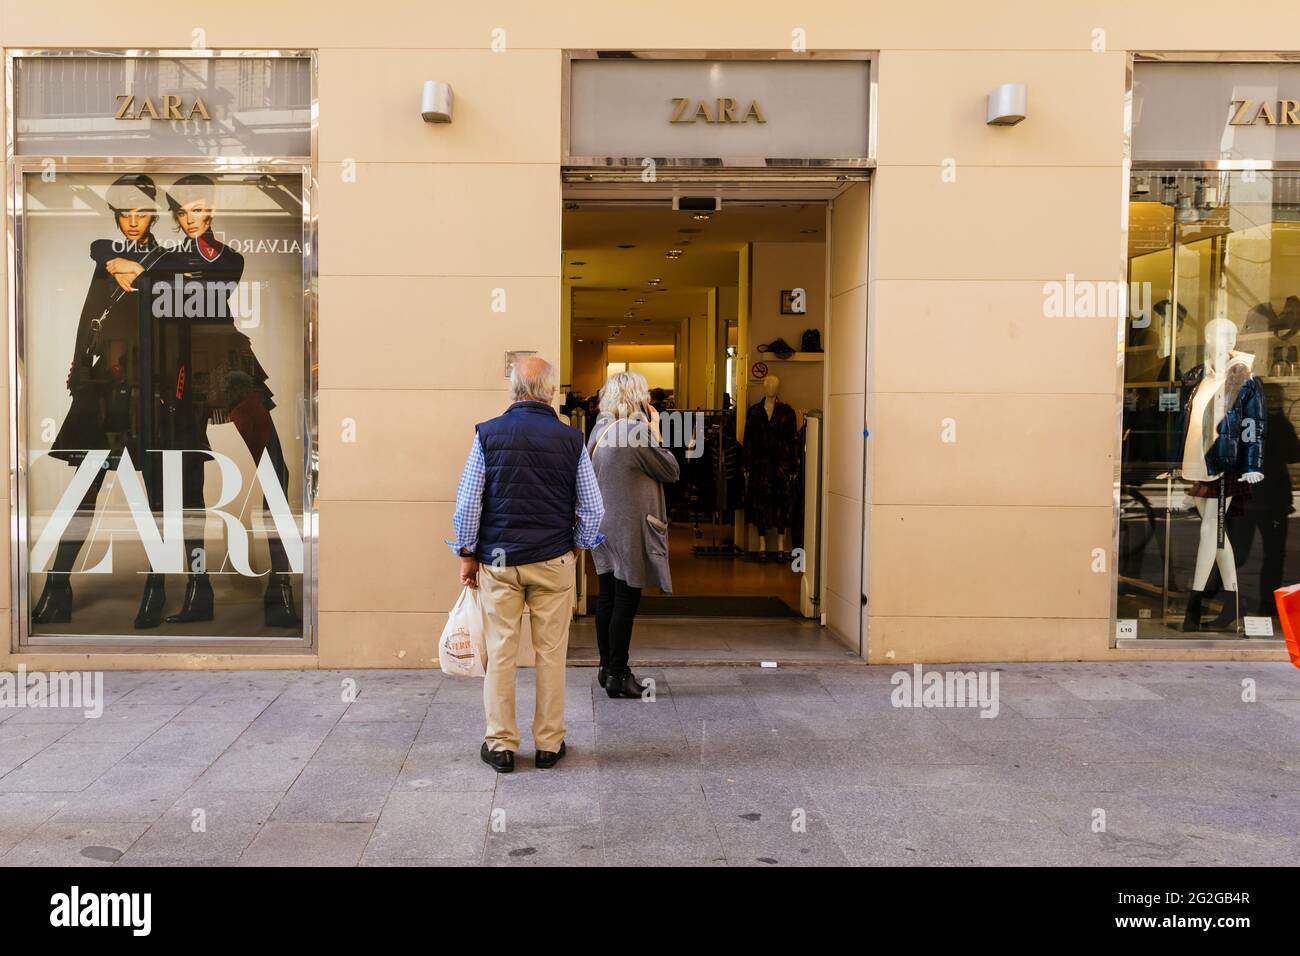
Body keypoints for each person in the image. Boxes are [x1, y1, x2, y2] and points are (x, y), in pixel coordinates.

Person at [449, 356, 604, 773]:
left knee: (500, 653)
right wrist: (576, 547)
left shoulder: (488, 434)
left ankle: (500, 745)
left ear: (514, 390)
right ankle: (549, 745)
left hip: (499, 561)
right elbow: (592, 506)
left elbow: (468, 502)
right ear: (551, 392)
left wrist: (467, 553)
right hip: (553, 559)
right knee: (551, 654)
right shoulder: (571, 440)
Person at [587, 371, 680, 698]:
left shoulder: (601, 429)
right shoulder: (635, 433)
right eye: (645, 396)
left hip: (602, 527)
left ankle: (605, 667)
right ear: (636, 398)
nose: (650, 402)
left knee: (608, 597)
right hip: (627, 527)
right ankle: (619, 673)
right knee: (627, 598)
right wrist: (655, 431)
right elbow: (671, 470)